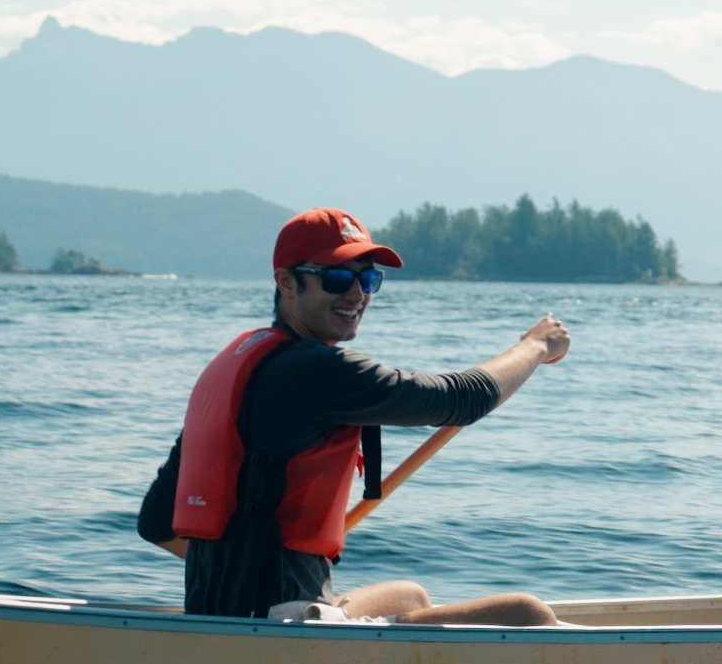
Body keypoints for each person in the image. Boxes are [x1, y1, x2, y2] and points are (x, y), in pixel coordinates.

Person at [141, 207, 570, 625]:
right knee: (527, 613)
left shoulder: (237, 363)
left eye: (368, 278)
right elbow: (464, 398)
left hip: (225, 614)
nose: (357, 293)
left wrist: (243, 559)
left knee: (410, 596)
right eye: (338, 277)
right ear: (287, 283)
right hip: (273, 626)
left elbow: (155, 522)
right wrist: (535, 347)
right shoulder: (313, 370)